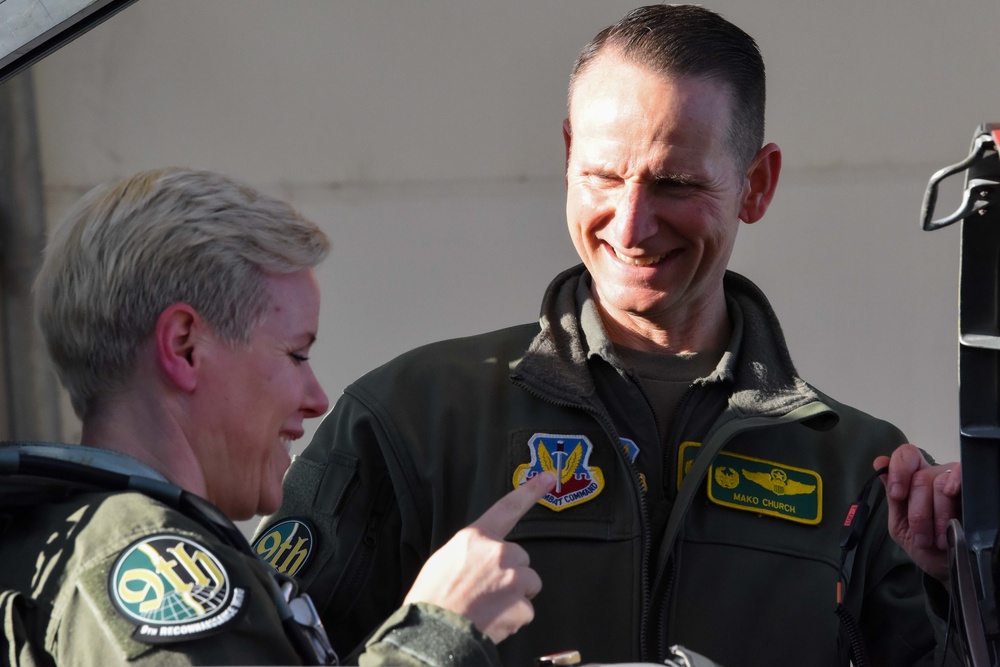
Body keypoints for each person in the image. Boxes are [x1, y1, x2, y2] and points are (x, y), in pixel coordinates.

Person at [263, 5, 964, 667]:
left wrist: (964, 588)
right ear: (569, 154)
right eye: (603, 176)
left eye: (674, 184)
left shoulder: (867, 475)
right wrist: (432, 639)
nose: (630, 226)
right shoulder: (409, 421)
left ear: (757, 183)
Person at [0, 167, 556, 666]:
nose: (316, 398)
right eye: (296, 354)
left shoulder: (59, 538)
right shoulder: (154, 565)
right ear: (185, 346)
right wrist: (435, 638)